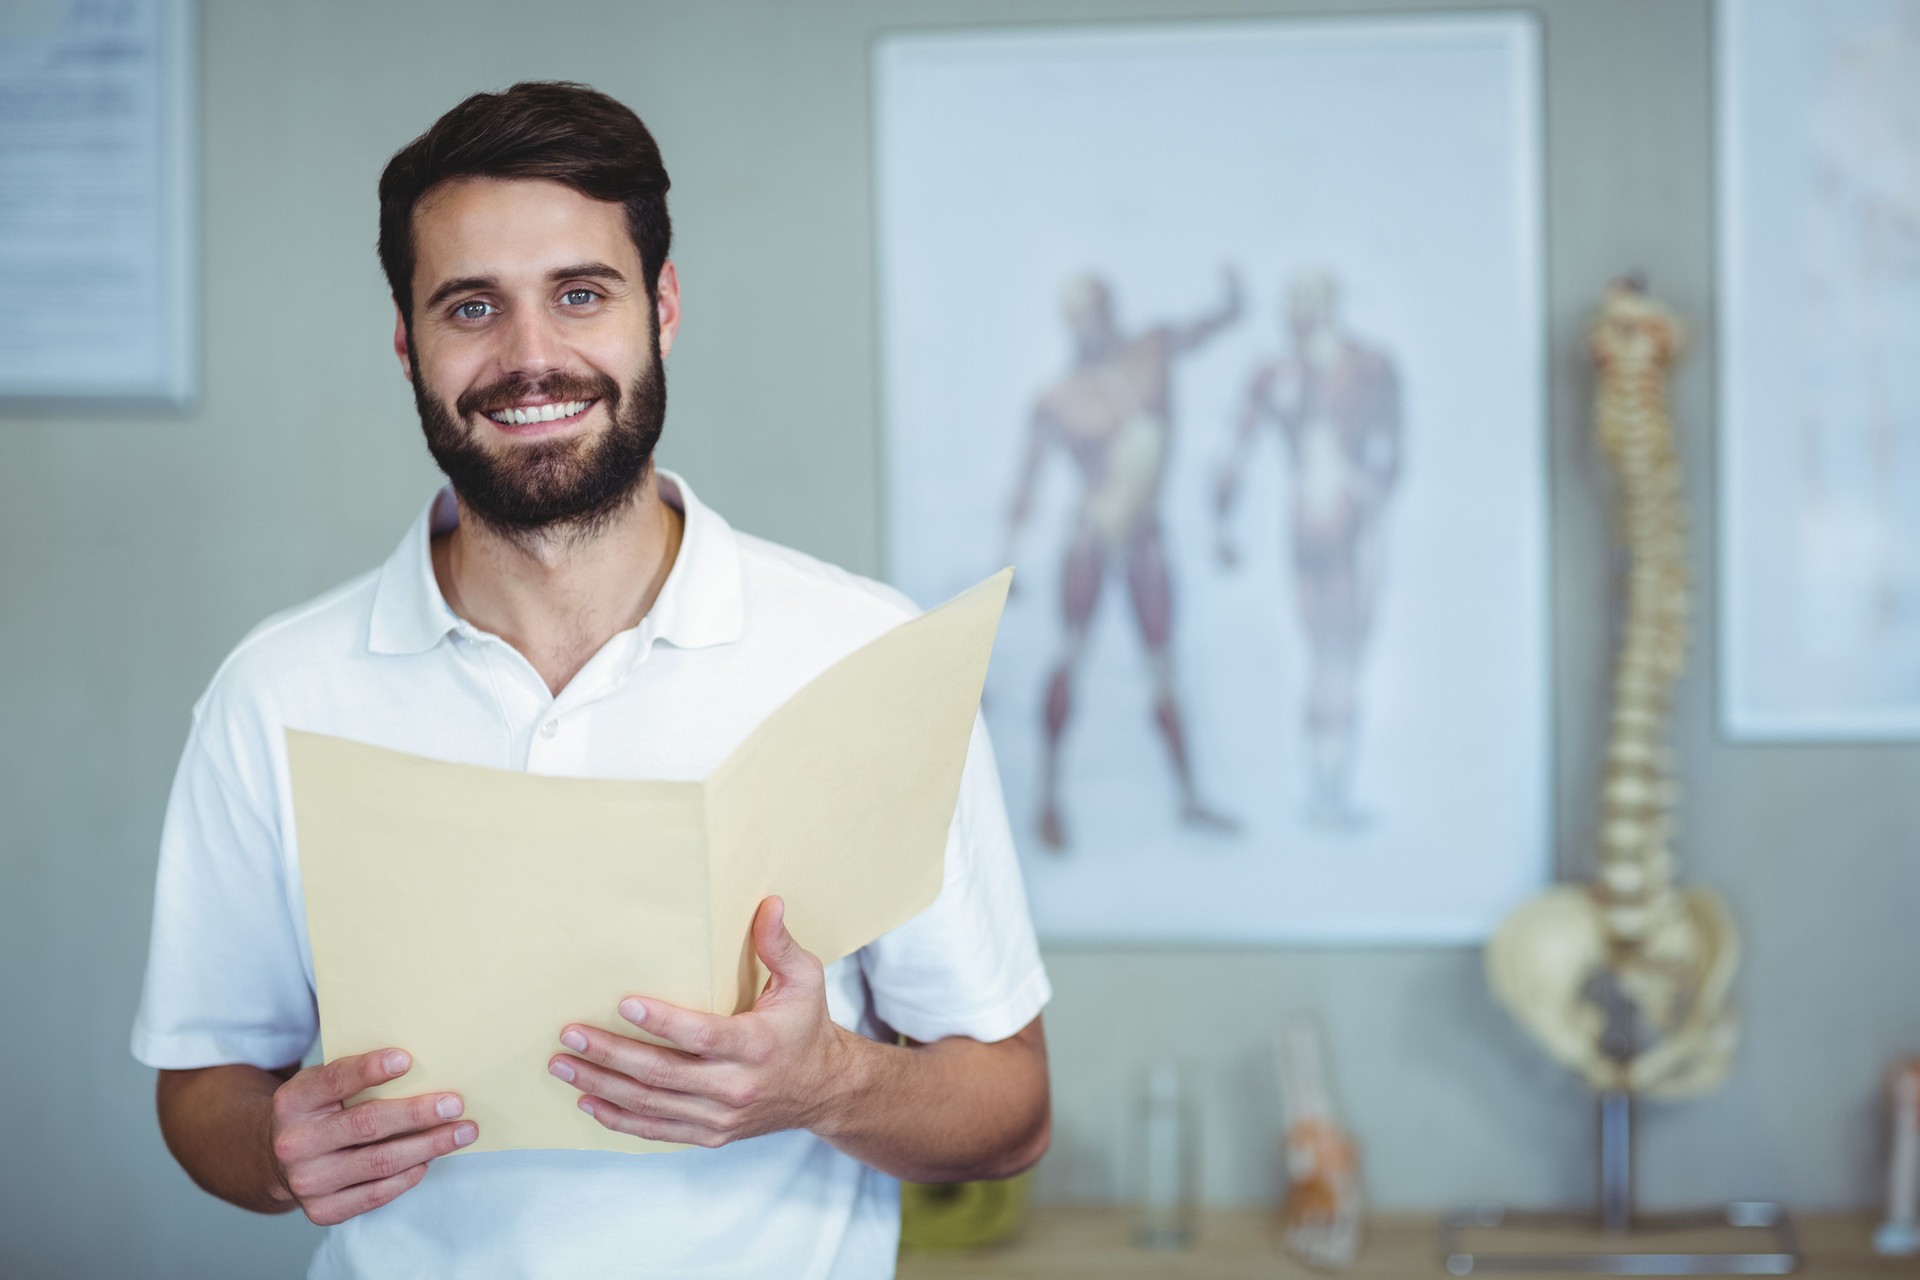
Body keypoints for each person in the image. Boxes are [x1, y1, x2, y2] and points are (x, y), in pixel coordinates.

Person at [131, 81, 1051, 1280]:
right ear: (407, 343)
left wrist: (828, 1080)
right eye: (471, 306)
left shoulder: (859, 650)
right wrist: (270, 1147)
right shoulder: (274, 691)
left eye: (580, 293)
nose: (529, 358)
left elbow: (1012, 1108)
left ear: (660, 307)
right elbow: (204, 1086)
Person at [1002, 271, 1241, 850]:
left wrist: (1231, 305)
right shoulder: (1060, 398)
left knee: (1162, 666)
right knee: (1071, 656)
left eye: (1096, 311)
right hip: (1091, 536)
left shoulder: (1151, 352)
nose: (1090, 324)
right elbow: (1027, 486)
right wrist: (1007, 563)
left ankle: (1188, 796)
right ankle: (1047, 798)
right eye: (1079, 315)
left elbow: (1201, 330)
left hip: (1144, 537)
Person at [1214, 270, 1403, 829]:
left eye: (1311, 303)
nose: (1302, 314)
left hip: (1347, 512)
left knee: (1343, 656)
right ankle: (1325, 788)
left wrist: (1371, 495)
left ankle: (1333, 784)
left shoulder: (1370, 367)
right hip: (1313, 518)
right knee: (1329, 655)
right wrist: (1222, 521)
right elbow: (1234, 448)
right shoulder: (1276, 375)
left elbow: (1394, 446)